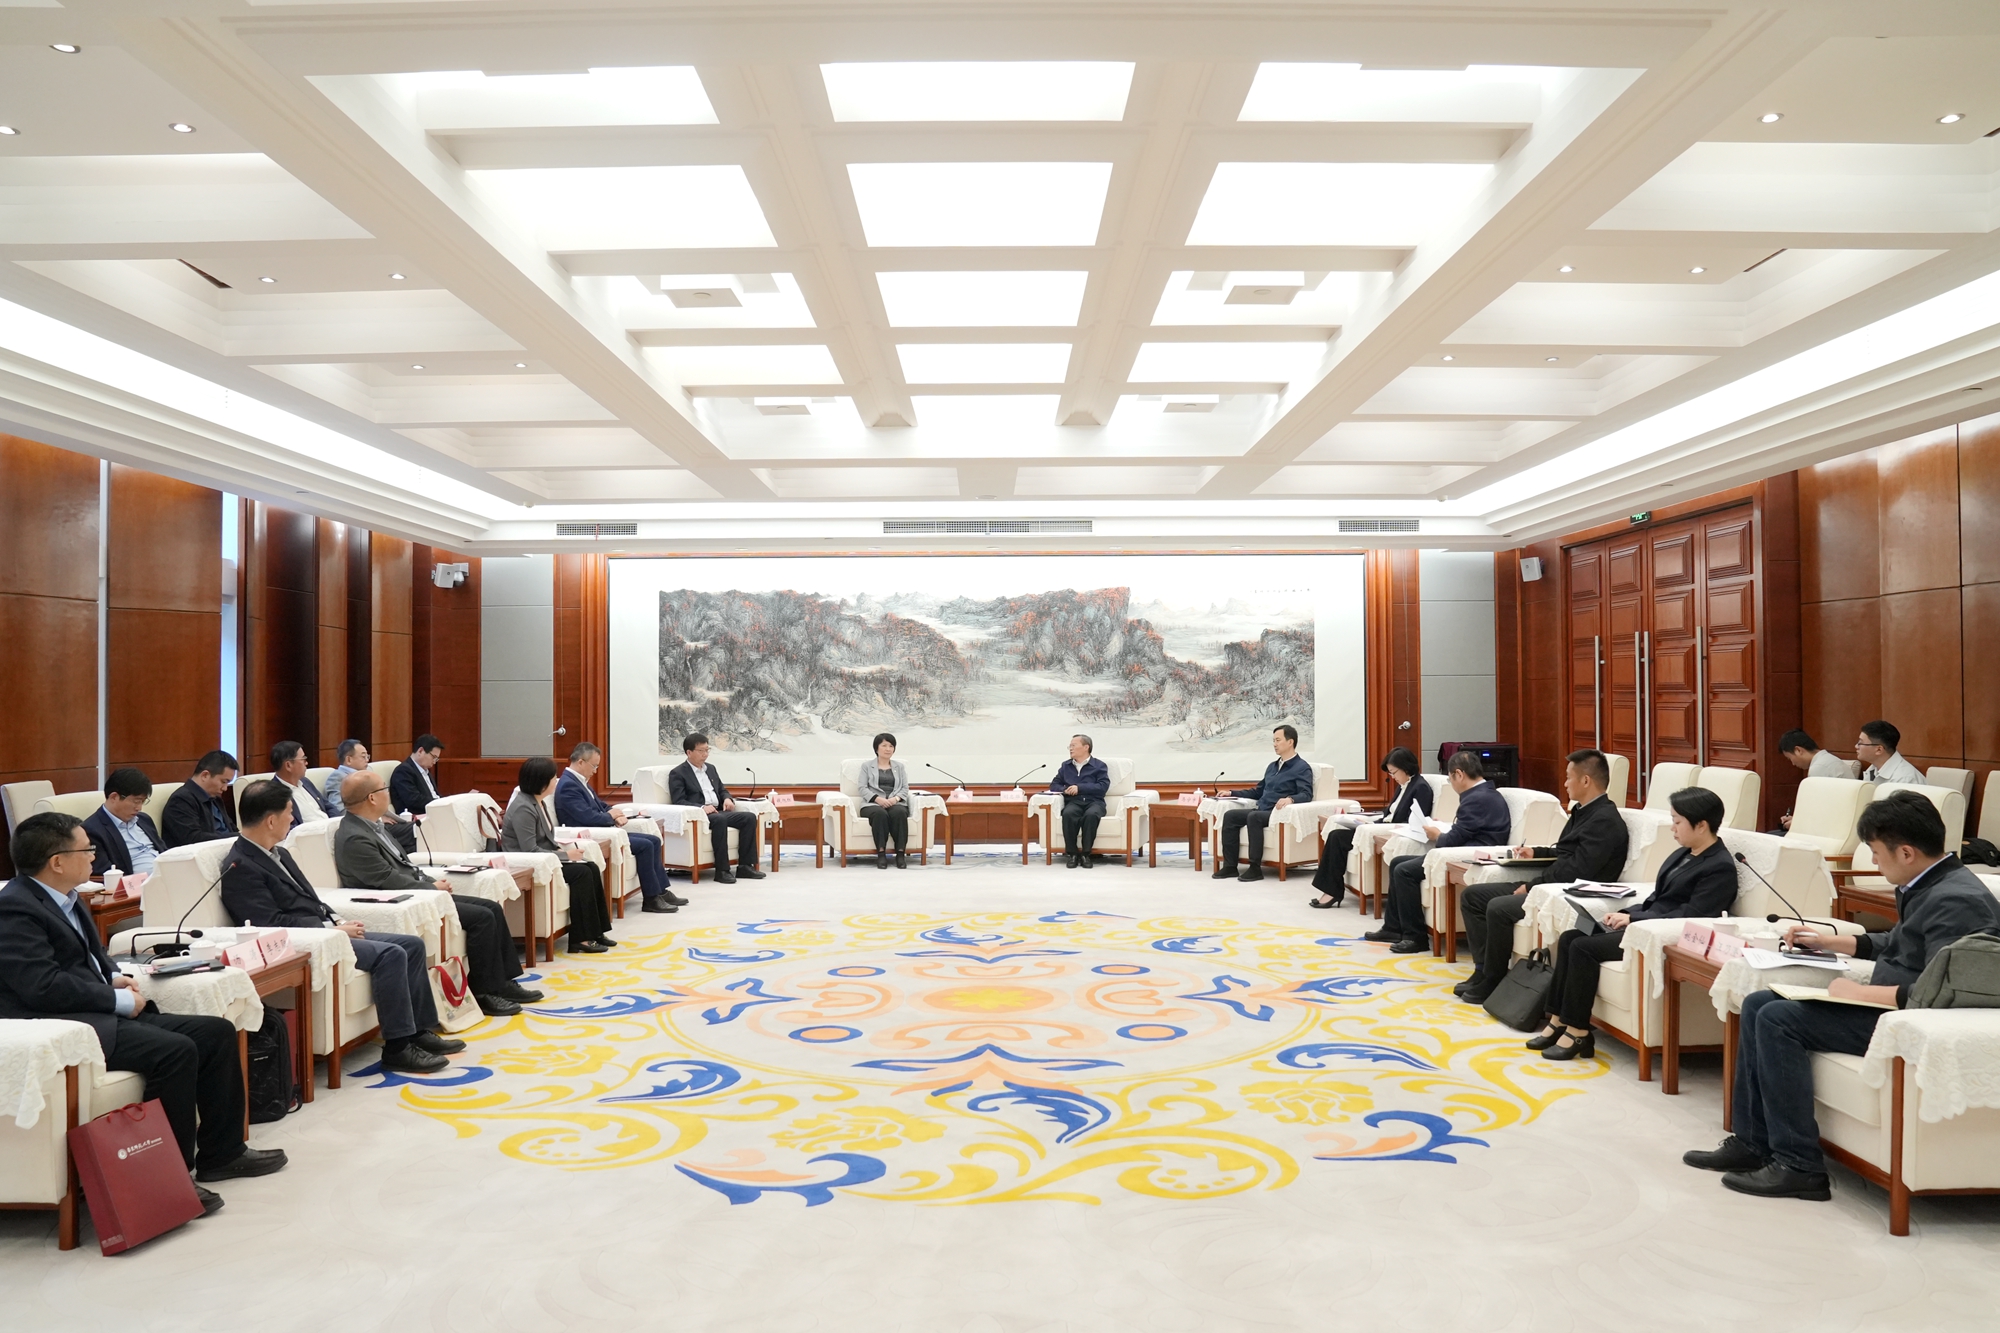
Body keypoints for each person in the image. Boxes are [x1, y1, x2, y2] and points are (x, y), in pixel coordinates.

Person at [1684, 791, 2000, 1200]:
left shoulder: (1957, 901)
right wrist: (1832, 942)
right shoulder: (1927, 882)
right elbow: (1903, 945)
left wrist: (1859, 993)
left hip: (1909, 1019)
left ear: (1905, 852)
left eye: (1876, 852)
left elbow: (1943, 990)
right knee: (1759, 1002)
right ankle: (1752, 1143)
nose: (1874, 862)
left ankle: (1800, 1166)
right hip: (1891, 1006)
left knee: (1779, 1020)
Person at [0, 813, 287, 1214]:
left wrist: (113, 977)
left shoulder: (67, 897)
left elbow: (90, 956)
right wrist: (114, 999)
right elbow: (41, 986)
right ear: (57, 861)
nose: (94, 857)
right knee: (176, 1052)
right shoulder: (14, 909)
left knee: (217, 1033)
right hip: (66, 1027)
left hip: (96, 1011)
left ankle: (223, 1154)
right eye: (87, 850)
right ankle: (169, 1177)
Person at [219, 780, 461, 1074]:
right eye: (289, 813)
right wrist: (329, 932)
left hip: (326, 931)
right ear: (271, 820)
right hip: (306, 943)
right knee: (391, 954)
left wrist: (337, 920)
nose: (292, 819)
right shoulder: (241, 866)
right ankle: (398, 1048)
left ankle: (418, 1031)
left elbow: (310, 899)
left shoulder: (278, 853)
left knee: (411, 944)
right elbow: (268, 924)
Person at [1528, 787, 1737, 1061]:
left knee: (1583, 947)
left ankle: (1578, 1032)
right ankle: (1557, 1019)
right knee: (1570, 937)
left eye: (1677, 822)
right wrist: (1625, 913)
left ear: (1701, 825)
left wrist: (1634, 920)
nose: (1672, 828)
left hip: (1661, 935)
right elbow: (1657, 898)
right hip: (1644, 923)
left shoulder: (1719, 866)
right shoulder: (1683, 854)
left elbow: (1693, 914)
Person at [334, 772, 544, 1015]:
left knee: (492, 908)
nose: (388, 794)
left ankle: (504, 982)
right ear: (372, 798)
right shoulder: (355, 837)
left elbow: (405, 866)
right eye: (384, 789)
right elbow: (385, 879)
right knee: (482, 918)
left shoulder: (374, 826)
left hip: (419, 892)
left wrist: (430, 881)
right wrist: (431, 888)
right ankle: (484, 993)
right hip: (402, 900)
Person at [1456, 749, 1629, 1001]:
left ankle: (1494, 979)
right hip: (1550, 884)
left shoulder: (1605, 820)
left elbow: (1578, 869)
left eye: (1569, 777)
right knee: (1473, 896)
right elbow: (1567, 851)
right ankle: (1482, 970)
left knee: (1498, 907)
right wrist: (1536, 852)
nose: (1565, 783)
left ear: (1585, 781)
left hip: (1566, 893)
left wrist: (1532, 886)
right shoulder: (1584, 811)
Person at [1366, 752, 1509, 951]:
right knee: (1398, 862)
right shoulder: (1483, 794)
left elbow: (1453, 840)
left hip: (1468, 855)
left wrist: (1437, 835)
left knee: (1404, 871)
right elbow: (1466, 831)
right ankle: (1393, 927)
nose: (1452, 784)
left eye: (1450, 779)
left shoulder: (1477, 799)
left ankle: (1415, 937)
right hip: (1466, 848)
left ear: (1459, 774)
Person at [504, 757, 615, 953]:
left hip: (545, 859)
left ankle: (596, 931)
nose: (556, 781)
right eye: (553, 778)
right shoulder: (523, 808)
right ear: (541, 781)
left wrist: (563, 853)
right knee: (582, 873)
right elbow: (529, 850)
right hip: (529, 864)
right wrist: (565, 856)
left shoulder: (538, 802)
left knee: (590, 866)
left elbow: (545, 840)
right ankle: (580, 938)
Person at [557, 743, 685, 912]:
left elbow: (600, 805)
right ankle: (651, 898)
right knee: (645, 845)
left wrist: (614, 812)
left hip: (603, 829)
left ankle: (661, 891)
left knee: (653, 840)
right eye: (594, 766)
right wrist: (610, 816)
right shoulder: (568, 785)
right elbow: (586, 817)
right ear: (581, 762)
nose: (595, 771)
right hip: (591, 835)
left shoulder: (579, 781)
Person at [1309, 747, 1431, 908]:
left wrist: (1376, 826)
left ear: (1406, 768)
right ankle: (1331, 890)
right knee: (1336, 835)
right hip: (1381, 826)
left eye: (1394, 772)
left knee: (1338, 837)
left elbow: (1413, 821)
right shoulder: (1404, 785)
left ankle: (1332, 892)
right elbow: (1389, 814)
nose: (1392, 777)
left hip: (1392, 832)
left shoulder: (1420, 787)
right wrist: (1368, 822)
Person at [1212, 724, 1316, 883]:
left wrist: (1290, 799)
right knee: (1231, 816)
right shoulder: (1272, 767)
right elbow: (1258, 792)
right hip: (1262, 809)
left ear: (1290, 742)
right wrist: (1232, 793)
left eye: (1278, 740)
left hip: (1278, 812)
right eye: (1273, 740)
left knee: (1254, 817)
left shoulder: (1301, 767)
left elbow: (1306, 794)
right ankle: (1230, 866)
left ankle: (1255, 868)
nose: (1274, 744)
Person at [666, 733, 766, 884]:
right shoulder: (678, 773)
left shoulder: (711, 769)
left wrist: (727, 798)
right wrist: (701, 807)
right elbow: (678, 800)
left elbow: (721, 790)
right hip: (700, 814)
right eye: (701, 751)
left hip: (718, 811)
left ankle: (745, 866)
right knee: (719, 820)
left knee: (749, 817)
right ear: (689, 752)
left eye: (707, 750)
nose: (705, 754)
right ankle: (722, 871)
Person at [83, 767, 165, 878]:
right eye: (136, 801)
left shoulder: (144, 820)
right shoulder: (92, 830)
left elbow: (164, 851)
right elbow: (106, 874)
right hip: (139, 885)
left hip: (169, 875)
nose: (139, 808)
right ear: (114, 797)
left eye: (142, 802)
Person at [1049, 734, 1110, 869]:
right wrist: (1065, 790)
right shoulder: (1066, 766)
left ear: (1086, 747)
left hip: (1094, 802)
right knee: (1068, 814)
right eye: (1069, 746)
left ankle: (1086, 855)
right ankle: (1072, 854)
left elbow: (1102, 787)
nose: (1070, 749)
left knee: (1091, 815)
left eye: (1073, 745)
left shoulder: (1099, 766)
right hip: (1074, 802)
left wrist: (1080, 788)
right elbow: (1054, 785)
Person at [856, 732, 912, 869]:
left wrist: (895, 799)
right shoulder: (867, 766)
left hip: (895, 802)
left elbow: (905, 788)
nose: (888, 749)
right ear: (876, 748)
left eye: (891, 746)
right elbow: (862, 787)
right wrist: (877, 799)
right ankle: (881, 854)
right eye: (884, 745)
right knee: (880, 814)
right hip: (872, 803)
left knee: (899, 813)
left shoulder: (899, 767)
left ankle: (900, 853)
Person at [160, 750, 238, 848]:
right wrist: (235, 837)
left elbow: (231, 829)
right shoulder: (181, 801)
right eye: (223, 782)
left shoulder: (215, 798)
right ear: (205, 775)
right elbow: (193, 839)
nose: (225, 788)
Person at [270, 740, 335, 823]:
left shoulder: (305, 782)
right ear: (288, 765)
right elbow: (286, 827)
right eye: (303, 759)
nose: (306, 763)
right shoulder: (274, 794)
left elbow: (329, 807)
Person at [389, 735, 446, 818]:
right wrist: (439, 803)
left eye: (436, 759)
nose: (434, 762)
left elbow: (434, 795)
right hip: (416, 817)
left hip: (433, 813)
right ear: (420, 751)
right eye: (433, 757)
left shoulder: (425, 771)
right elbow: (413, 800)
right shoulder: (403, 771)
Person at [1856, 719, 1922, 786]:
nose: (1856, 746)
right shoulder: (1874, 768)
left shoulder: (1904, 779)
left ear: (1879, 750)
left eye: (1860, 743)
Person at [324, 739, 371, 817]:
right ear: (349, 760)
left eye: (367, 756)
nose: (367, 760)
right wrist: (375, 817)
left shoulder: (368, 772)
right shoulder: (337, 777)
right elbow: (339, 809)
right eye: (363, 757)